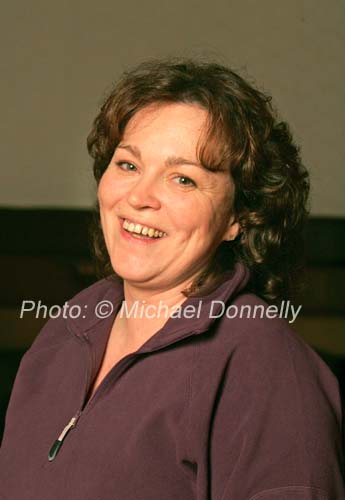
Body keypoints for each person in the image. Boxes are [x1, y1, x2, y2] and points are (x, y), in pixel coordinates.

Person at [1, 57, 344, 499]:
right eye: (128, 165)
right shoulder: (68, 329)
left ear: (239, 216)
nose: (140, 197)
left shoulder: (265, 365)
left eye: (183, 179)